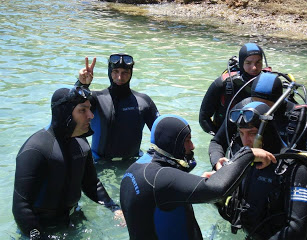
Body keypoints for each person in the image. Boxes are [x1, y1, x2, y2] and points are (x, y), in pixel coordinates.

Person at [120, 114, 276, 240]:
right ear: (172, 142)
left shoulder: (138, 168)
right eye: (187, 140)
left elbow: (162, 195)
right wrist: (248, 154)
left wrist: (199, 181)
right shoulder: (160, 177)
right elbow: (216, 189)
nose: (192, 146)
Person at [12, 87, 123, 239]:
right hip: (40, 228)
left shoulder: (82, 144)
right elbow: (21, 207)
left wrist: (114, 208)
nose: (91, 115)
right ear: (65, 113)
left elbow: (92, 184)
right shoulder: (36, 150)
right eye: (83, 110)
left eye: (90, 109)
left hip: (73, 219)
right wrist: (37, 236)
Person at [216, 101, 307, 239]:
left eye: (252, 133)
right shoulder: (245, 162)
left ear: (267, 132)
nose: (245, 142)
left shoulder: (295, 170)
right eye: (241, 133)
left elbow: (296, 229)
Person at [209, 72, 307, 169]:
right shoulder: (243, 109)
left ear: (278, 103)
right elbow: (217, 142)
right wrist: (217, 162)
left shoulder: (298, 116)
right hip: (243, 166)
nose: (258, 109)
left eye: (265, 105)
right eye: (255, 102)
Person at [76, 54, 159, 162]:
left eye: (125, 73)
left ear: (131, 74)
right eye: (116, 72)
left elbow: (162, 133)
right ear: (110, 72)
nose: (120, 77)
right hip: (99, 162)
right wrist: (82, 84)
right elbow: (70, 109)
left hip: (132, 162)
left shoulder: (144, 101)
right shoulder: (96, 99)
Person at [199, 43, 270, 136]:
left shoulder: (269, 84)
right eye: (248, 63)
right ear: (241, 63)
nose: (254, 67)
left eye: (258, 62)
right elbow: (204, 118)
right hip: (228, 135)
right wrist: (219, 139)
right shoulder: (222, 84)